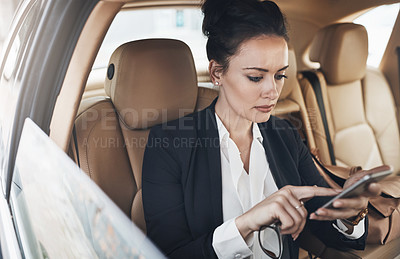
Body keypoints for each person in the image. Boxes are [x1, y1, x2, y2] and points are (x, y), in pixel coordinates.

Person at [142, 0, 381, 258]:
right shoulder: (168, 145)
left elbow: (326, 227)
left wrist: (352, 210)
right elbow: (168, 254)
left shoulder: (286, 135)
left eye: (280, 75)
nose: (273, 91)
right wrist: (247, 222)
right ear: (216, 73)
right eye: (256, 77)